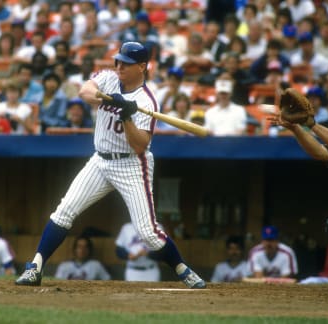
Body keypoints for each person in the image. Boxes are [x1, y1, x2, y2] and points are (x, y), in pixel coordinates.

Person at [15, 42, 206, 289]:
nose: (119, 66)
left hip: (131, 165)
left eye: (126, 63)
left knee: (148, 232)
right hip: (100, 160)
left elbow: (140, 145)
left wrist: (126, 115)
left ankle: (182, 269)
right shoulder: (108, 78)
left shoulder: (147, 101)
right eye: (118, 61)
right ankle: (36, 268)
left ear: (142, 66)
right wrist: (104, 98)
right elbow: (84, 91)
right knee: (64, 211)